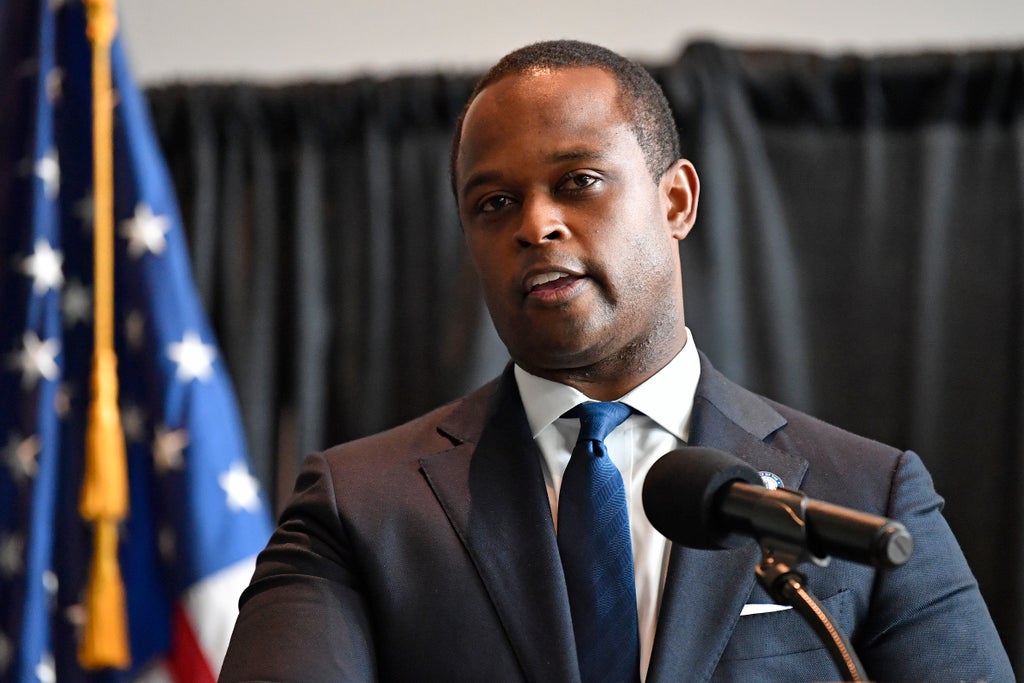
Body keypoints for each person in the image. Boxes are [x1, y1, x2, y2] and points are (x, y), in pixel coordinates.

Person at [219, 40, 1014, 682]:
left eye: (579, 181)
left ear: (676, 201)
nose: (535, 225)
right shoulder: (356, 506)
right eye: (494, 202)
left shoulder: (868, 494)